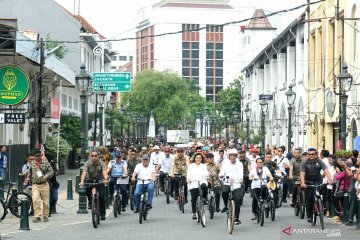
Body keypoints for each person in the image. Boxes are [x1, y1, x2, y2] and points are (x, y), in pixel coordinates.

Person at [300, 147, 332, 223]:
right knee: (309, 198)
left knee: (324, 193)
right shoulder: (304, 162)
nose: (311, 155)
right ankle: (309, 215)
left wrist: (330, 179)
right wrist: (303, 182)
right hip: (308, 181)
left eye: (312, 154)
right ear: (308, 154)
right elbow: (302, 173)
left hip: (318, 180)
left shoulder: (319, 161)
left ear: (315, 154)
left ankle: (322, 207)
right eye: (309, 154)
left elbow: (326, 170)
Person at [80, 150, 108, 220]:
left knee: (101, 197)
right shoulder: (87, 163)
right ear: (91, 156)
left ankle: (102, 214)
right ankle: (90, 202)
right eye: (92, 156)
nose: (94, 157)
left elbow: (104, 173)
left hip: (100, 181)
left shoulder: (102, 163)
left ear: (98, 156)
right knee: (87, 189)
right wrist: (82, 181)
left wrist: (105, 179)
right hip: (90, 180)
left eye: (96, 156)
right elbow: (84, 173)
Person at [219, 148, 243, 225]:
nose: (233, 157)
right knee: (225, 192)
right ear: (229, 156)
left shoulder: (239, 163)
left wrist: (241, 179)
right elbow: (222, 171)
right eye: (231, 155)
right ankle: (226, 206)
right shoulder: (225, 163)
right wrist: (221, 175)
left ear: (236, 156)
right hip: (227, 181)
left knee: (238, 199)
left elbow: (240, 173)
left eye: (234, 155)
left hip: (236, 183)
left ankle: (237, 218)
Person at [30, 149, 54, 223]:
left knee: (46, 202)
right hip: (35, 185)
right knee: (35, 199)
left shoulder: (45, 163)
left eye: (39, 156)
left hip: (44, 184)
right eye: (37, 156)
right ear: (34, 156)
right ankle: (37, 216)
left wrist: (46, 176)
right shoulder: (33, 164)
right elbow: (32, 172)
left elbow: (51, 171)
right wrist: (28, 178)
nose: (38, 157)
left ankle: (46, 216)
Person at [187, 153, 209, 220]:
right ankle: (194, 213)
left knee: (204, 187)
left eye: (200, 158)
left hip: (202, 180)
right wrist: (189, 179)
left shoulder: (204, 166)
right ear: (195, 159)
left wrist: (206, 176)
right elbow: (188, 174)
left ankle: (205, 198)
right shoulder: (191, 166)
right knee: (193, 197)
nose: (198, 159)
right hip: (193, 182)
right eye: (197, 158)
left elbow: (206, 173)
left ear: (201, 159)